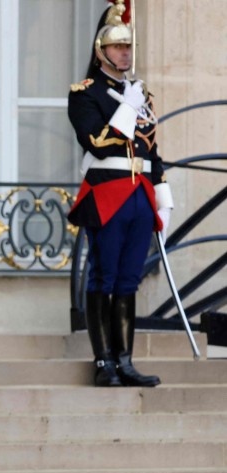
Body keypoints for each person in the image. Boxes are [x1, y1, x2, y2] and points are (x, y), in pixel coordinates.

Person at [68, 2, 168, 387]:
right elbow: (98, 142)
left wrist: (163, 192)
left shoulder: (142, 94)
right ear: (101, 50)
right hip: (107, 192)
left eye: (128, 45)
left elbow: (151, 150)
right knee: (104, 276)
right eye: (117, 45)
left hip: (139, 194)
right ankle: (103, 362)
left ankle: (125, 361)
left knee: (129, 280)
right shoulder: (85, 94)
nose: (125, 51)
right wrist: (126, 108)